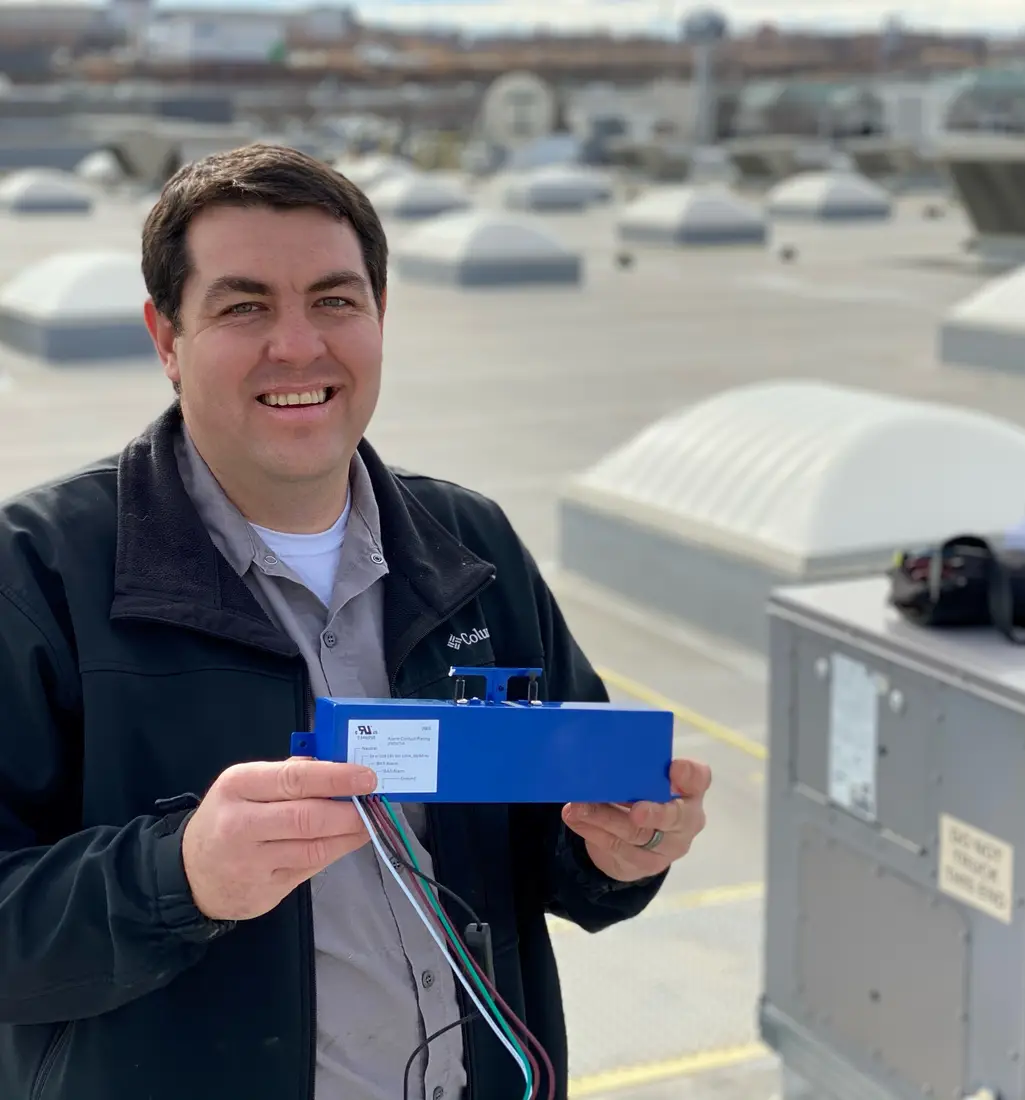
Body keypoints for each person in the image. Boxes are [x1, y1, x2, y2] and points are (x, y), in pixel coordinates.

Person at [0, 144, 712, 1100]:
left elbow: (554, 848)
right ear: (165, 338)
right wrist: (180, 879)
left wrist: (622, 851)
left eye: (335, 300)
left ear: (379, 318)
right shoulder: (41, 571)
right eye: (244, 305)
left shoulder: (472, 547)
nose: (298, 346)